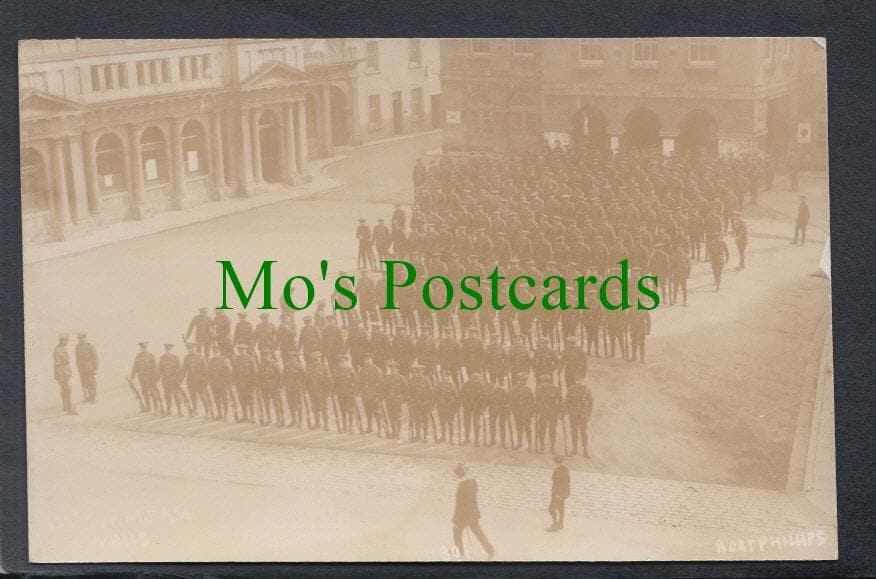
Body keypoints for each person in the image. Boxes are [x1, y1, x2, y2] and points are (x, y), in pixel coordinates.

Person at [451, 463, 495, 560]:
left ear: (459, 475)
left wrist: (455, 520)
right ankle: (490, 550)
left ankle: (460, 552)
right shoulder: (473, 482)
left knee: (456, 531)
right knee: (478, 532)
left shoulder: (461, 487)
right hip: (473, 513)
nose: (454, 476)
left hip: (464, 516)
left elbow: (459, 506)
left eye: (455, 474)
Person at [158, 343, 189, 417]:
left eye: (169, 350)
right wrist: (157, 378)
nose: (168, 351)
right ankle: (168, 411)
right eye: (166, 350)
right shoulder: (162, 358)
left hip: (174, 381)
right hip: (166, 381)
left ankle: (179, 411)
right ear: (165, 350)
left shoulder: (175, 358)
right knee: (167, 396)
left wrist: (179, 380)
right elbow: (159, 369)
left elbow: (180, 370)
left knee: (177, 397)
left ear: (171, 350)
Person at [565, 377, 593, 457]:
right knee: (574, 432)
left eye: (580, 380)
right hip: (573, 414)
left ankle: (585, 450)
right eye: (577, 380)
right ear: (575, 380)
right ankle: (574, 449)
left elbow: (590, 402)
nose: (578, 382)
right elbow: (567, 400)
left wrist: (589, 414)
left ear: (583, 380)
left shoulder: (586, 389)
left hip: (582, 414)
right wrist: (567, 411)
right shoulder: (571, 389)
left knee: (583, 432)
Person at [131, 341, 161, 415]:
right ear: (140, 348)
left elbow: (155, 367)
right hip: (142, 378)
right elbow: (135, 366)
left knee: (153, 393)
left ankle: (156, 407)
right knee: (145, 392)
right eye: (142, 347)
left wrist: (156, 377)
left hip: (150, 378)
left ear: (146, 348)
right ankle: (148, 407)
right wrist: (132, 375)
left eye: (144, 347)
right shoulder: (138, 356)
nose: (143, 349)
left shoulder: (151, 356)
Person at [53, 334, 76, 415]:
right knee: (67, 390)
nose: (67, 342)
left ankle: (66, 407)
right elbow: (58, 364)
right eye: (66, 340)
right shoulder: (58, 350)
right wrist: (60, 376)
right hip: (62, 373)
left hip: (65, 372)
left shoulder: (61, 348)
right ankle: (69, 409)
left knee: (65, 389)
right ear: (62, 340)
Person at [547, 455, 571, 532]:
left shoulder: (556, 471)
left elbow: (556, 484)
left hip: (558, 493)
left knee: (551, 508)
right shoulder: (565, 469)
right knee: (561, 508)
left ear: (554, 462)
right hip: (565, 492)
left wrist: (557, 494)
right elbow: (568, 480)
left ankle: (555, 524)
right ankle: (561, 523)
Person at [74, 331, 98, 403]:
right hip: (82, 369)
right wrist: (78, 367)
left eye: (81, 338)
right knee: (84, 383)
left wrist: (95, 368)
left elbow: (95, 357)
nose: (80, 339)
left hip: (90, 368)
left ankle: (93, 398)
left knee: (91, 383)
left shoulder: (89, 346)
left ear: (85, 338)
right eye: (78, 338)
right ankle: (88, 398)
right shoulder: (77, 347)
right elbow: (77, 358)